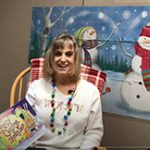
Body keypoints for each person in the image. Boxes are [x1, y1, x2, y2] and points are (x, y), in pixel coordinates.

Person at [25, 33, 103, 150]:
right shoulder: (36, 87)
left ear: (76, 58)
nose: (63, 59)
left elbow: (94, 131)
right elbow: (23, 124)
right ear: (51, 58)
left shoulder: (91, 92)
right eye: (58, 54)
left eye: (69, 54)